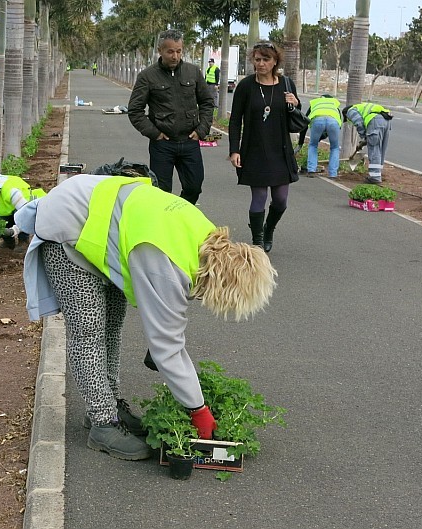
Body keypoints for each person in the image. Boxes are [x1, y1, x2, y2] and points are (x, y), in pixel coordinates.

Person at [14, 174, 277, 461]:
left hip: (107, 225)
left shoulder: (205, 236)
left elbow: (171, 308)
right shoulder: (163, 263)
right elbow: (167, 343)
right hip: (68, 225)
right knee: (88, 331)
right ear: (223, 282)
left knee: (112, 325)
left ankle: (109, 403)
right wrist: (198, 410)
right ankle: (102, 424)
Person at [128, 29, 214, 205]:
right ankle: (164, 227)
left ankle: (179, 214)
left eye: (179, 51)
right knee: (161, 192)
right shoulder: (147, 76)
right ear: (160, 50)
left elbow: (206, 102)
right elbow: (135, 110)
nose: (175, 56)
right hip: (162, 145)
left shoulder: (193, 72)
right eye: (170, 51)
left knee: (194, 187)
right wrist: (154, 133)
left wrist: (201, 130)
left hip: (190, 142)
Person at [229, 41, 300, 253]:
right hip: (254, 150)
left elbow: (294, 114)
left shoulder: (286, 84)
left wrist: (295, 103)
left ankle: (269, 229)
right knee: (258, 197)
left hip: (280, 151)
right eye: (257, 59)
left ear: (275, 61)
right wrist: (235, 149)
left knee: (280, 200)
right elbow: (235, 120)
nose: (261, 64)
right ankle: (258, 242)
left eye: (266, 59)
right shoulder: (246, 86)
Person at [343, 102, 393, 184]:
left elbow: (359, 123)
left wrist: (364, 136)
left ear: (346, 114)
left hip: (374, 121)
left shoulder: (350, 111)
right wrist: (365, 139)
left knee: (374, 149)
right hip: (386, 121)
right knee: (380, 149)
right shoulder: (361, 107)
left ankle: (375, 177)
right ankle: (378, 173)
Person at [302, 93, 343, 178]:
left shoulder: (316, 102)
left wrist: (300, 141)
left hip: (317, 120)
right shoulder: (334, 103)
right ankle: (333, 174)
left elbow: (305, 121)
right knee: (334, 147)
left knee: (313, 145)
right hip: (333, 121)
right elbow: (339, 121)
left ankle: (311, 170)